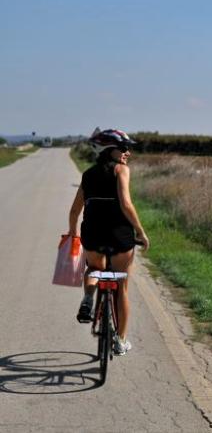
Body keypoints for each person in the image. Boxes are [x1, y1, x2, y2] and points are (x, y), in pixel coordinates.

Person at [67, 128, 150, 355]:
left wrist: (73, 235)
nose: (127, 153)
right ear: (109, 150)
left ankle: (87, 298)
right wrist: (141, 232)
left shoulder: (88, 174)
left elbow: (75, 210)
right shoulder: (121, 170)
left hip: (92, 234)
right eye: (123, 148)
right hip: (119, 235)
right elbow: (126, 203)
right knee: (122, 287)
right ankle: (121, 341)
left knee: (94, 268)